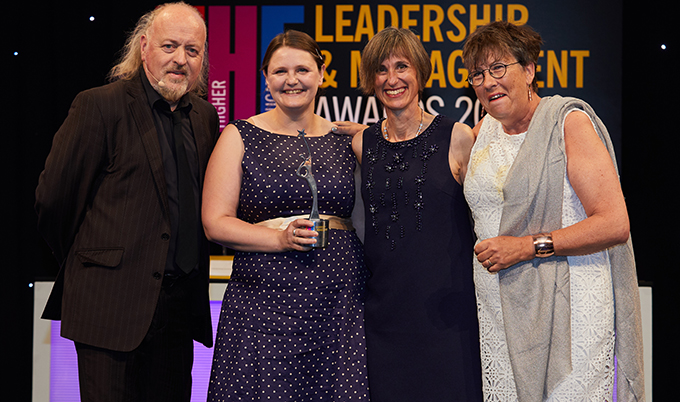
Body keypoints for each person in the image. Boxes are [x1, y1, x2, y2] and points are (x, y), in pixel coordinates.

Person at [34, 3, 219, 401]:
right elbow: (54, 202)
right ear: (143, 47)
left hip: (178, 314)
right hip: (110, 309)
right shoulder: (99, 105)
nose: (180, 59)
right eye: (170, 46)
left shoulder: (204, 117)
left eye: (193, 50)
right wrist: (97, 264)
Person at [461, 20, 645, 401]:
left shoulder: (567, 123)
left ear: (528, 70)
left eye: (499, 68)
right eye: (477, 74)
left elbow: (614, 223)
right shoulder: (480, 134)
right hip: (501, 310)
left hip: (572, 313)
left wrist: (528, 246)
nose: (488, 81)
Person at [202, 30, 369, 401]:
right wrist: (279, 239)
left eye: (302, 69)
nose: (291, 80)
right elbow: (215, 222)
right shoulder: (239, 135)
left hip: (338, 302)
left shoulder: (348, 138)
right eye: (280, 71)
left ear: (321, 73)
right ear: (266, 78)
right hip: (261, 304)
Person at [351, 27, 483, 401]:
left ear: (420, 73)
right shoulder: (363, 143)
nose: (392, 79)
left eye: (402, 66)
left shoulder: (457, 137)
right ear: (370, 79)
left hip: (448, 318)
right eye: (381, 69)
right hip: (384, 319)